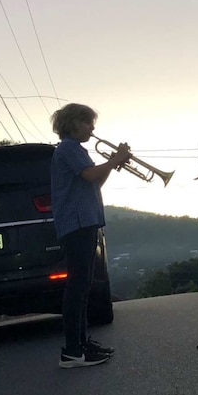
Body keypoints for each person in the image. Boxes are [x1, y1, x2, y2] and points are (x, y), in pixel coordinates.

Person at [50, 103, 130, 369]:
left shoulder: (76, 150)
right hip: (77, 223)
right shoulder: (68, 148)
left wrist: (111, 164)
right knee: (77, 286)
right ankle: (72, 350)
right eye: (87, 122)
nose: (92, 128)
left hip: (85, 221)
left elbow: (93, 180)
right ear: (73, 123)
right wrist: (114, 160)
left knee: (82, 285)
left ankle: (80, 343)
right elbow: (90, 174)